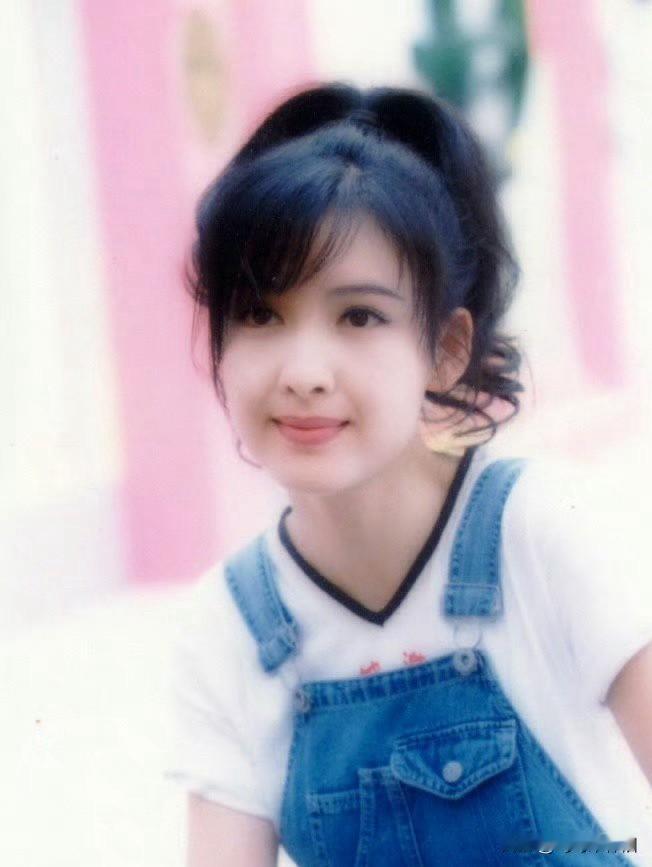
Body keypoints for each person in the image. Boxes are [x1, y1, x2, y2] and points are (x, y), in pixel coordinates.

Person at [164, 82, 652, 866]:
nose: (304, 372)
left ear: (446, 350)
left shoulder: (539, 532)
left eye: (358, 316)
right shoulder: (229, 628)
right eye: (259, 314)